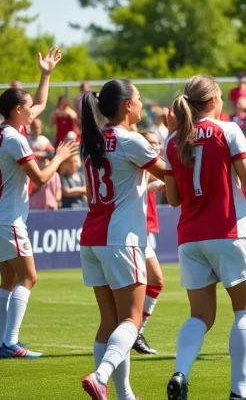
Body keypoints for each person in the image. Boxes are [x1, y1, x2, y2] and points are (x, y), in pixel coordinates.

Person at [163, 75, 246, 400]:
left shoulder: (173, 139)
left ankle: (181, 372)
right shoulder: (228, 130)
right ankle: (239, 391)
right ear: (215, 100)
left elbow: (173, 198)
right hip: (229, 231)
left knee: (200, 317)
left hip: (190, 237)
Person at [0, 48, 76, 359]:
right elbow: (41, 178)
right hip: (7, 218)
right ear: (18, 110)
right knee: (29, 277)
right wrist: (58, 157)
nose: (35, 110)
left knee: (9, 279)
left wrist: (46, 73)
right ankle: (11, 343)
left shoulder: (0, 133)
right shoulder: (15, 139)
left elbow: (40, 102)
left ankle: (1, 343)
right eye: (29, 108)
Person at [77, 79, 168, 400]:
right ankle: (101, 377)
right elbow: (170, 175)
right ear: (127, 105)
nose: (143, 104)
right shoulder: (131, 141)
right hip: (121, 239)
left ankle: (124, 394)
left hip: (92, 237)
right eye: (140, 99)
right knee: (130, 319)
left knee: (110, 322)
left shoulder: (92, 141)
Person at [132, 130, 167, 356]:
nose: (155, 147)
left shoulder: (148, 170)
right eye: (151, 143)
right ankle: (132, 331)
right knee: (151, 282)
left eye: (157, 144)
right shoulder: (137, 166)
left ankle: (135, 332)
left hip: (141, 233)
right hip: (131, 233)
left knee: (154, 282)